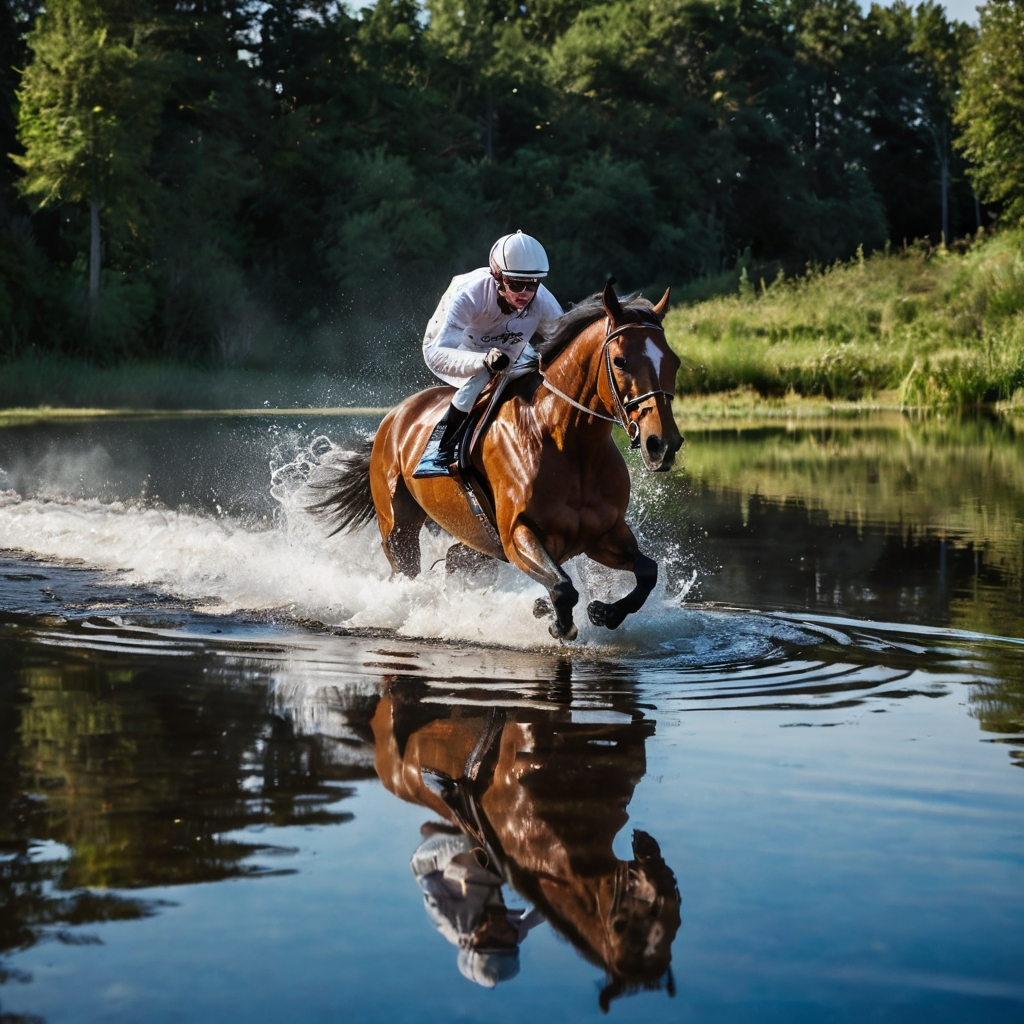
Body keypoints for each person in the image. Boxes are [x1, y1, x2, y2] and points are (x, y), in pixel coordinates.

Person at [412, 230, 562, 478]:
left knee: (535, 367)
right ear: (498, 277)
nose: (525, 293)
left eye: (532, 285)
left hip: (504, 350)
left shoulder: (541, 300)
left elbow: (563, 339)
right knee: (485, 373)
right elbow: (441, 352)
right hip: (449, 348)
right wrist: (483, 359)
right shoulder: (470, 295)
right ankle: (439, 449)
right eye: (516, 284)